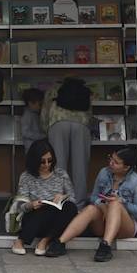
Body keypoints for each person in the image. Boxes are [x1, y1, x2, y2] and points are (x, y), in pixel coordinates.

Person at [47, 148, 137, 262]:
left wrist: (122, 202)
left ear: (126, 167)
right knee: (90, 208)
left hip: (125, 227)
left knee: (115, 204)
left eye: (116, 162)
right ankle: (60, 242)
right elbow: (93, 197)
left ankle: (105, 246)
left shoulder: (135, 181)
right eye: (111, 159)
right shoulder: (104, 172)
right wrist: (102, 204)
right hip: (103, 221)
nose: (111, 163)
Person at [9, 139, 76, 256]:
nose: (46, 164)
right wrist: (31, 204)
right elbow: (20, 205)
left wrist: (63, 197)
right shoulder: (26, 177)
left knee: (70, 208)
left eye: (50, 160)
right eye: (42, 161)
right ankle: (21, 240)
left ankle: (45, 240)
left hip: (56, 219)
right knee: (41, 211)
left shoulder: (61, 174)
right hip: (35, 216)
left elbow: (72, 199)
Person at [46, 77, 93, 206]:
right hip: (81, 125)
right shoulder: (85, 91)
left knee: (58, 165)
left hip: (58, 123)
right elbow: (89, 113)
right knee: (80, 166)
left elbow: (45, 112)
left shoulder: (53, 90)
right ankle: (79, 203)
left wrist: (46, 129)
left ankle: (58, 201)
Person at [19, 87, 46, 152]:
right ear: (30, 103)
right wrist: (42, 136)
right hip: (31, 148)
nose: (41, 107)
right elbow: (25, 133)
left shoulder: (34, 114)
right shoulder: (27, 115)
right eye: (39, 104)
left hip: (36, 146)